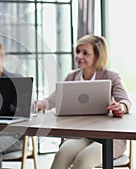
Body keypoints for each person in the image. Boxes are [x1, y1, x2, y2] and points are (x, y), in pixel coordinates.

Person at [36, 34, 132, 169]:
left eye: (85, 53)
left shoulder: (111, 77)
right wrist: (39, 104)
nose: (79, 56)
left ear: (98, 56)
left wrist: (121, 107)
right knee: (62, 153)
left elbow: (125, 101)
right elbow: (55, 97)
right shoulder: (72, 76)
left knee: (83, 160)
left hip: (109, 139)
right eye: (78, 52)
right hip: (83, 135)